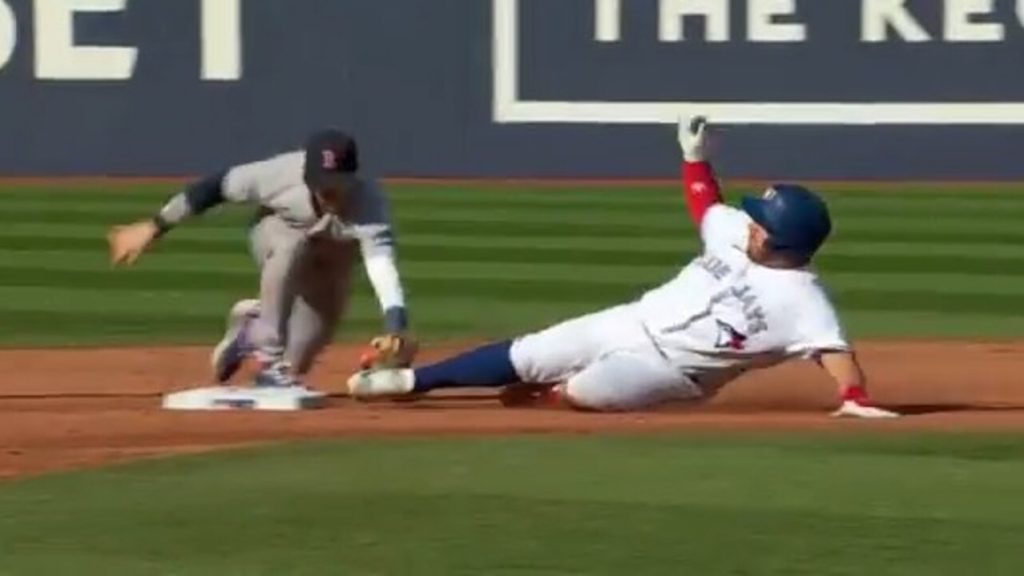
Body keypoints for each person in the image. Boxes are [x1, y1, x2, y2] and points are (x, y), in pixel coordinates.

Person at [345, 117, 897, 418]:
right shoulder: (734, 234)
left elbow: (835, 352)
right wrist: (694, 158)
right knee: (529, 352)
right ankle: (414, 381)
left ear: (783, 241)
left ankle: (555, 395)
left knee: (588, 392)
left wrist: (855, 399)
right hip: (631, 321)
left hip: (673, 372)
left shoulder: (803, 299)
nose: (749, 224)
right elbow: (707, 205)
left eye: (761, 223)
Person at [107, 129, 417, 388]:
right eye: (322, 185)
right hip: (275, 235)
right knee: (290, 247)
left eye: (336, 186)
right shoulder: (282, 174)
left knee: (297, 364)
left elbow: (381, 264)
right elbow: (215, 188)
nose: (329, 193)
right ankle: (267, 358)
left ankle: (249, 331)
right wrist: (155, 225)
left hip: (330, 265)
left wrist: (395, 325)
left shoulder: (369, 204)